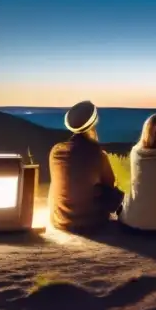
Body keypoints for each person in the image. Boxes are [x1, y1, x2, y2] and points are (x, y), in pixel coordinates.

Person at [48, 100, 124, 234]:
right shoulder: (97, 153)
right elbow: (110, 183)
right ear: (92, 125)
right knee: (113, 194)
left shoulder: (56, 151)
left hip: (60, 220)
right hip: (91, 222)